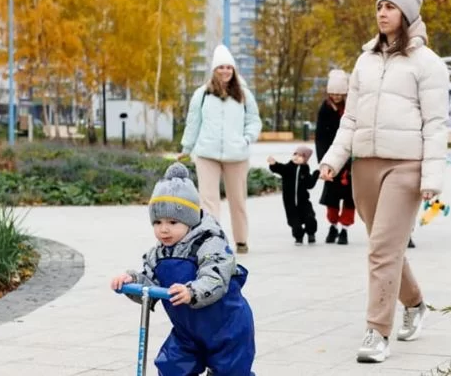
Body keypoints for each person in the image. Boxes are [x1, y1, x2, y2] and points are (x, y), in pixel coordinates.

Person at [319, 0, 448, 363]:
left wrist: (431, 179)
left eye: (390, 6)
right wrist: (333, 159)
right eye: (379, 6)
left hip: (405, 166)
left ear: (407, 14)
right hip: (365, 165)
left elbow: (436, 124)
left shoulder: (428, 64)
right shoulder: (365, 61)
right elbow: (352, 118)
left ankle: (377, 331)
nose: (382, 12)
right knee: (384, 247)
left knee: (380, 250)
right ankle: (416, 303)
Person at [110, 162, 255, 376]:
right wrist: (132, 281)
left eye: (172, 222)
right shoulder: (157, 254)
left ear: (190, 220)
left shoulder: (209, 243)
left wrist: (192, 291)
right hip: (188, 333)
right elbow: (150, 286)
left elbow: (215, 277)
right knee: (171, 367)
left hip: (227, 329)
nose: (164, 229)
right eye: (157, 222)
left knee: (231, 372)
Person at [178, 44, 262, 254]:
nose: (225, 71)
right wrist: (187, 148)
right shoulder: (202, 94)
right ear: (214, 70)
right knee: (208, 201)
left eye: (229, 68)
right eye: (221, 67)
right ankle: (211, 241)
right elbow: (193, 122)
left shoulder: (243, 94)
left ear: (233, 70)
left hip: (237, 155)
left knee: (238, 200)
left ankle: (241, 241)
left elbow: (253, 120)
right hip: (207, 154)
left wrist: (247, 138)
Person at [315, 69, 356, 245]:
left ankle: (345, 229)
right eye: (333, 93)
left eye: (340, 93)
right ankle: (332, 226)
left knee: (349, 198)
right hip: (331, 159)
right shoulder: (325, 109)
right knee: (331, 197)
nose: (336, 96)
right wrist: (324, 161)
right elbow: (320, 137)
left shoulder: (351, 109)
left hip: (350, 161)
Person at [267, 146, 320, 245]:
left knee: (310, 218)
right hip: (290, 203)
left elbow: (310, 184)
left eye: (300, 156)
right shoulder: (287, 168)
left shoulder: (305, 170)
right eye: (295, 154)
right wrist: (273, 164)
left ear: (305, 159)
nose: (296, 157)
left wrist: (316, 174)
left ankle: (311, 234)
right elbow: (279, 168)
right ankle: (298, 237)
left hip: (304, 202)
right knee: (295, 223)